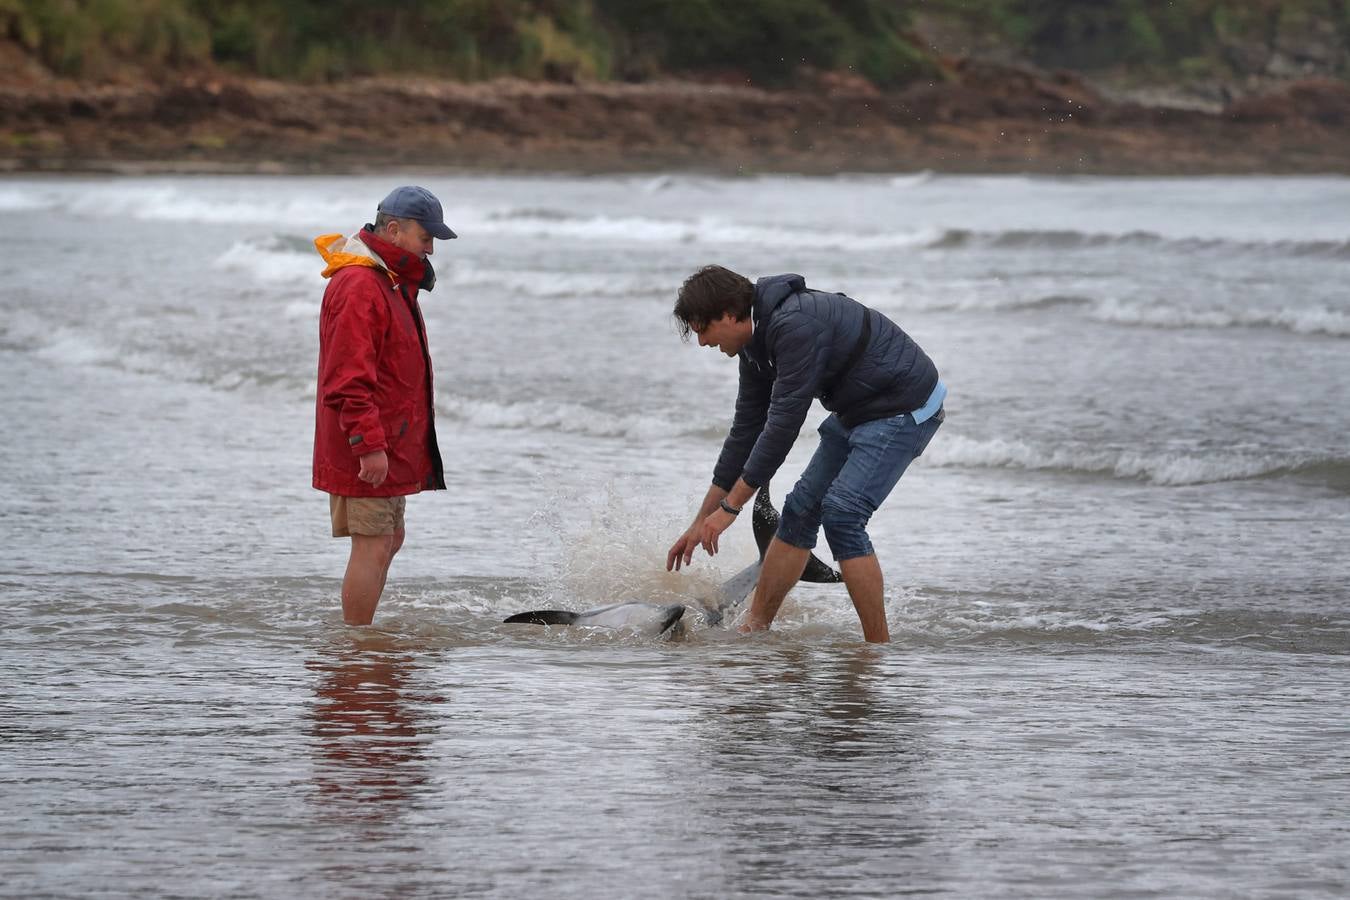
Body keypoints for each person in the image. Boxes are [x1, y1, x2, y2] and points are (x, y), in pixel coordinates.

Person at [666, 265, 945, 643]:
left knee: (844, 514)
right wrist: (700, 522)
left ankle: (877, 648)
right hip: (855, 411)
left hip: (903, 408)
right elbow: (746, 432)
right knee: (799, 509)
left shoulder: (794, 325)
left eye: (703, 329)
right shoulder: (753, 344)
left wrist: (731, 508)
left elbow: (782, 426)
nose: (701, 342)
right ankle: (755, 627)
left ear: (730, 314)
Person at [312, 186, 455, 625]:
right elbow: (347, 380)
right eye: (425, 237)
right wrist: (367, 444)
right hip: (369, 444)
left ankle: (361, 631)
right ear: (393, 230)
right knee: (373, 542)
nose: (431, 248)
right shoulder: (360, 284)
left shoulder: (389, 280)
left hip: (391, 441)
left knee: (390, 537)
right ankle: (356, 645)